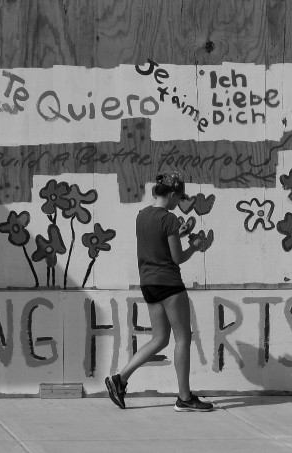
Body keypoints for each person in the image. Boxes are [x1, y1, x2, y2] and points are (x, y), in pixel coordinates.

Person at [105, 171, 214, 412]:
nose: (179, 202)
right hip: (169, 284)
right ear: (173, 194)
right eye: (179, 197)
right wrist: (194, 247)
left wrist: (180, 233)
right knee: (183, 338)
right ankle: (185, 398)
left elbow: (156, 244)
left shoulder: (142, 216)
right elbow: (176, 258)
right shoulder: (169, 219)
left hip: (149, 284)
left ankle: (119, 379)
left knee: (160, 339)